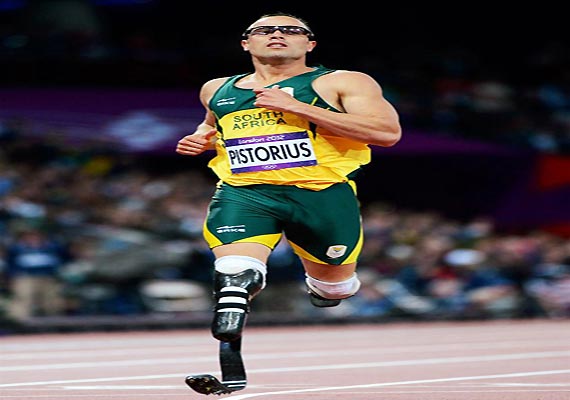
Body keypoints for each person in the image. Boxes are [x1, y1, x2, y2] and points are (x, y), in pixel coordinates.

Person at [176, 12, 401, 344]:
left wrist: (298, 107)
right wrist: (201, 137)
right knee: (236, 269)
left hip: (321, 194)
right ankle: (230, 313)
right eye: (265, 30)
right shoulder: (216, 88)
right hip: (246, 191)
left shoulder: (343, 82)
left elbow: (386, 133)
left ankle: (327, 287)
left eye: (291, 30)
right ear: (246, 43)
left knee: (334, 286)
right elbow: (212, 124)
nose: (277, 33)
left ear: (310, 44)